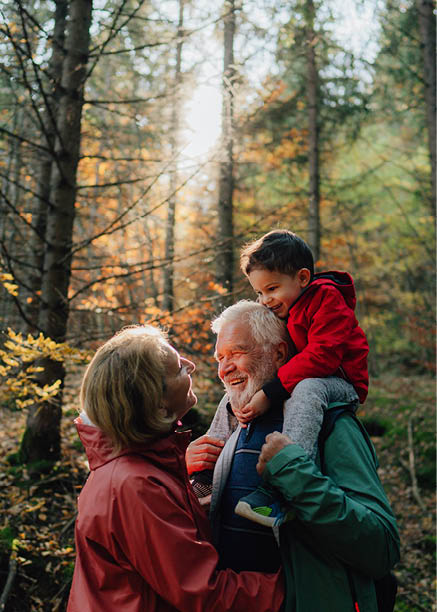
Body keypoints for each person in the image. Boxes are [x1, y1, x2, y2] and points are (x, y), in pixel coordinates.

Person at [187, 301, 400, 611]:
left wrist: (297, 477)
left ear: (279, 353)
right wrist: (183, 473)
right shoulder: (231, 423)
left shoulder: (331, 425)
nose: (224, 368)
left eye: (236, 353)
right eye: (220, 358)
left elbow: (381, 547)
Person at [67, 325, 284, 612]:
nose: (191, 365)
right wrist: (295, 587)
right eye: (179, 368)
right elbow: (204, 593)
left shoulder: (139, 470)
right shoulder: (135, 486)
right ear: (160, 408)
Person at [215, 228, 370, 525]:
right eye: (259, 292)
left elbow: (324, 356)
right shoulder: (289, 307)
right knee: (247, 390)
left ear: (302, 278)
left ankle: (292, 479)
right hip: (315, 378)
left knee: (307, 389)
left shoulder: (327, 300)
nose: (265, 300)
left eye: (272, 289)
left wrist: (271, 392)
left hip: (342, 381)